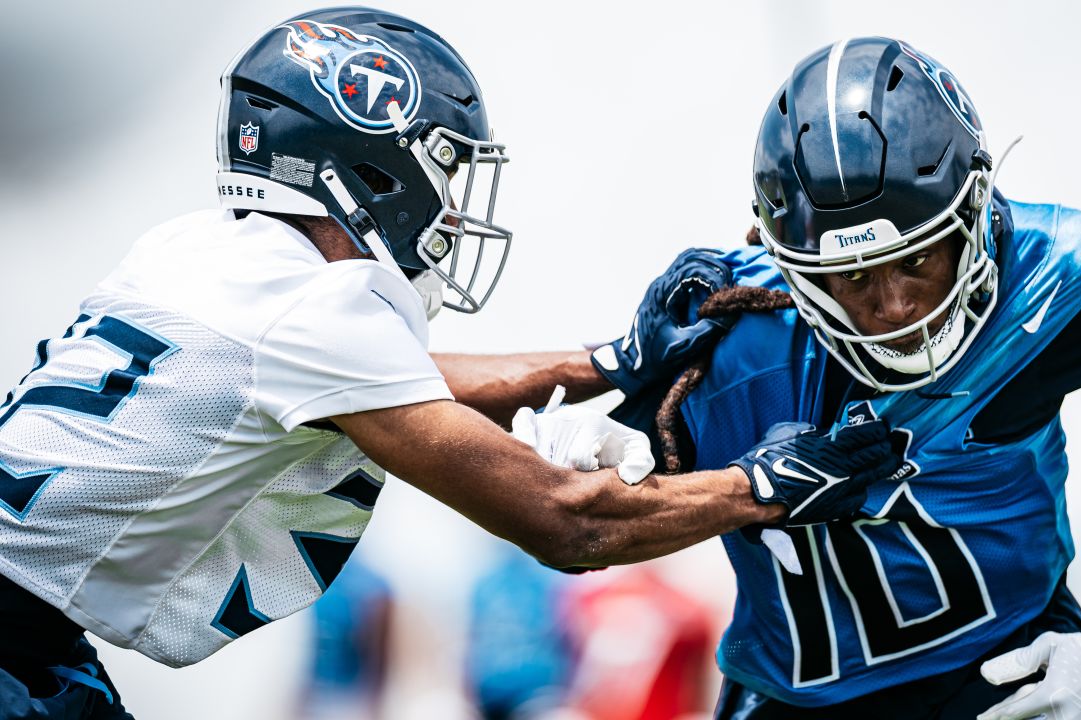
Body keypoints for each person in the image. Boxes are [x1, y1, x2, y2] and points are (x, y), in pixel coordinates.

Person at [0, 12, 899, 719]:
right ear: (370, 162)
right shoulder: (318, 311)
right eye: (445, 169)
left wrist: (613, 361)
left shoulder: (198, 253)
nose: (459, 214)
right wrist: (769, 488)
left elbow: (396, 380)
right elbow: (566, 524)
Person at [466, 37, 1081, 719]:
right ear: (787, 263)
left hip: (1005, 668)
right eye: (855, 278)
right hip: (795, 699)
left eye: (918, 259)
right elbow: (580, 533)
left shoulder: (1068, 275)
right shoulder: (740, 328)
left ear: (975, 209)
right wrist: (592, 444)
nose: (897, 306)